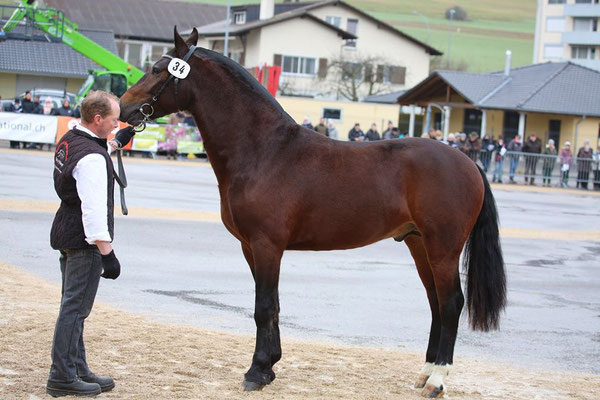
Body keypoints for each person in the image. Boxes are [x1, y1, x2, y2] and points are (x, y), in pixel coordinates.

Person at [46, 90, 136, 397]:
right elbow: (95, 210)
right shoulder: (92, 159)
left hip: (66, 232)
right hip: (85, 240)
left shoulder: (72, 140)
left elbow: (90, 158)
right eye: (112, 120)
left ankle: (76, 368)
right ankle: (62, 375)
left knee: (72, 305)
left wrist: (114, 143)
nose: (115, 123)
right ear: (98, 119)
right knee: (75, 309)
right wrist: (107, 254)